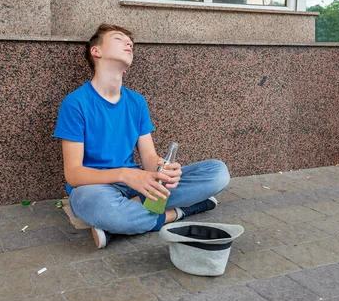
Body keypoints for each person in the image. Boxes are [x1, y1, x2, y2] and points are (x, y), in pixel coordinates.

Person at [53, 24, 230, 248]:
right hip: (94, 188)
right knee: (104, 209)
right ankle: (181, 211)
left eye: (130, 43)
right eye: (119, 39)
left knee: (217, 172)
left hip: (139, 183)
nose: (129, 43)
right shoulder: (75, 103)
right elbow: (74, 174)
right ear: (96, 51)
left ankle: (122, 223)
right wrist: (126, 175)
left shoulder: (136, 102)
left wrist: (164, 169)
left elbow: (148, 158)